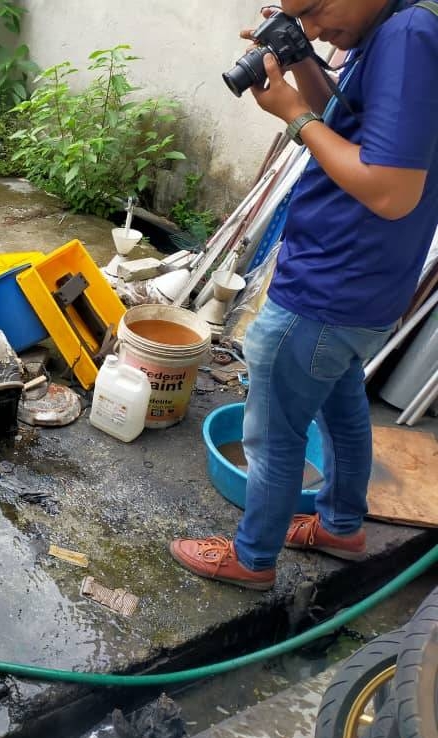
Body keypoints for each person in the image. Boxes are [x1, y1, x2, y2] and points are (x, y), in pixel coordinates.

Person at [170, 0, 438, 590]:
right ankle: (342, 525)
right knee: (342, 409)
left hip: (325, 289)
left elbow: (391, 191)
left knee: (272, 434)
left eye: (315, 10)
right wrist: (300, 60)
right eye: (299, 17)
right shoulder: (395, 29)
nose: (314, 25)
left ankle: (252, 558)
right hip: (365, 292)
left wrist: (294, 117)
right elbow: (348, 124)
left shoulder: (410, 35)